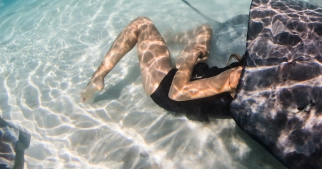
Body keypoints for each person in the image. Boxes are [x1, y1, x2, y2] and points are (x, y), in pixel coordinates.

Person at [80, 17, 244, 120]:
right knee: (205, 29)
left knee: (141, 24)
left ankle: (97, 78)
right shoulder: (260, 89)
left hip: (168, 88)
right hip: (199, 77)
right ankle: (166, 39)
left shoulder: (238, 77)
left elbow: (177, 91)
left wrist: (191, 57)